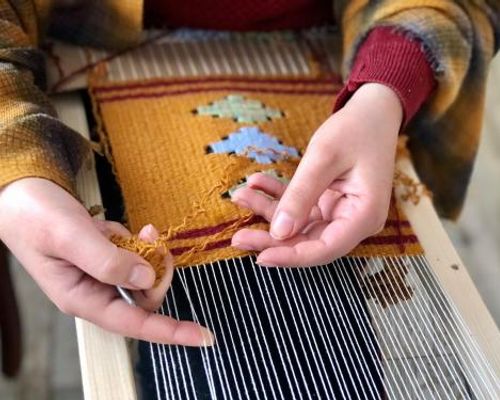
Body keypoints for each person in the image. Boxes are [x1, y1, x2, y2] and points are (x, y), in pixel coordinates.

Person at [0, 0, 498, 348]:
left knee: (298, 311)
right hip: (90, 53)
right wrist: (16, 173)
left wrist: (383, 92)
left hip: (335, 58)